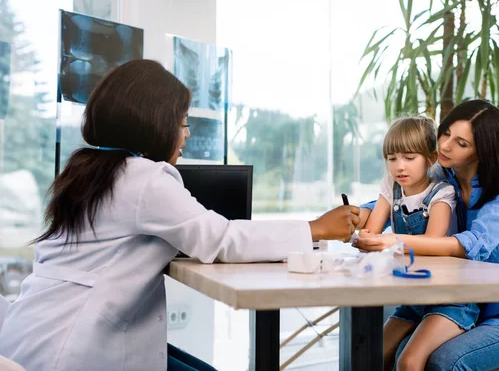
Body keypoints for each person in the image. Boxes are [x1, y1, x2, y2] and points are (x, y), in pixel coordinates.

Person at [0, 59, 361, 371]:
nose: (186, 135)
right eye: (182, 122)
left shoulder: (86, 168)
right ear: (152, 123)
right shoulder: (144, 177)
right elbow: (221, 240)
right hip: (75, 346)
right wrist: (316, 228)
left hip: (30, 334)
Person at [355, 100, 499, 371]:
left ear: (481, 150)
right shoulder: (444, 174)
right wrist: (360, 214)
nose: (445, 146)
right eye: (446, 133)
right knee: (383, 353)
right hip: (464, 299)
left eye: (461, 143)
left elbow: (476, 243)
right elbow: (407, 196)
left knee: (443, 361)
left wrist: (395, 240)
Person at [357, 116, 477, 371]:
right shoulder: (392, 186)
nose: (400, 166)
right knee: (370, 356)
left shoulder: (442, 192)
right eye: (392, 159)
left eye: (409, 158)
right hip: (414, 299)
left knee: (408, 361)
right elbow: (373, 229)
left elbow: (433, 241)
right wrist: (366, 238)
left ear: (430, 158)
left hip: (452, 300)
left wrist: (388, 241)